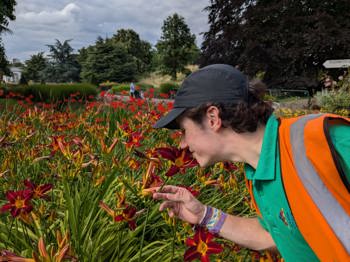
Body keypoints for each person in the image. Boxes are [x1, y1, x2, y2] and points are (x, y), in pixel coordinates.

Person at [152, 64, 350, 261]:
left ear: (213, 118)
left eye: (184, 131)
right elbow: (275, 236)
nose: (182, 144)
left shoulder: (326, 139)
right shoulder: (257, 173)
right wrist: (204, 215)